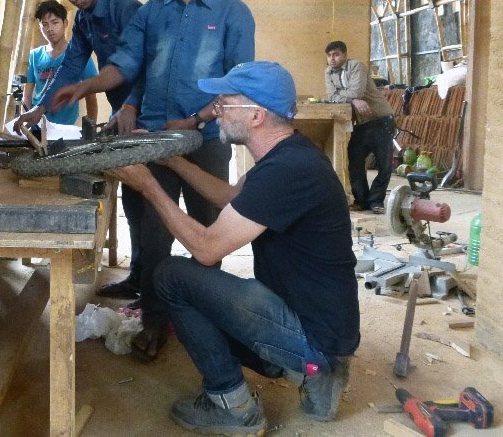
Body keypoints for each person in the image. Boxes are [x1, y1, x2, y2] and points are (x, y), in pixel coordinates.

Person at [109, 61, 359, 435]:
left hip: (311, 333)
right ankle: (320, 370)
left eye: (226, 102)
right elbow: (229, 197)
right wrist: (172, 160)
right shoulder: (289, 154)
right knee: (201, 292)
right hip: (313, 321)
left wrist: (148, 185)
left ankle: (234, 406)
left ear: (256, 115)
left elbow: (207, 249)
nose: (216, 110)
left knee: (172, 276)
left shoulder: (286, 171)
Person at [51, 0, 255, 360]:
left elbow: (238, 84)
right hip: (155, 142)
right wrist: (85, 86)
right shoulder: (152, 12)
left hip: (206, 142)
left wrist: (197, 118)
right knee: (154, 233)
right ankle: (156, 320)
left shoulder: (233, 14)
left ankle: (205, 317)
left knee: (210, 231)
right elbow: (125, 65)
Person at [16, 0, 145, 300]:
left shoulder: (128, 10)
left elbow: (150, 66)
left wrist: (132, 103)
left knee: (155, 200)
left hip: (150, 115)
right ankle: (139, 277)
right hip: (124, 115)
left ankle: (159, 291)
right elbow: (71, 66)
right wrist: (39, 109)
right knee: (135, 199)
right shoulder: (86, 20)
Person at [324, 40, 394, 214]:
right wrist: (352, 99)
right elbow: (331, 95)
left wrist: (350, 97)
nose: (332, 59)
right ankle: (362, 200)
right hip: (361, 122)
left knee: (384, 164)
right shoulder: (329, 72)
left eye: (336, 54)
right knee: (354, 162)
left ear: (345, 55)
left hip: (381, 119)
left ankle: (376, 201)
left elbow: (356, 92)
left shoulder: (356, 66)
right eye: (329, 55)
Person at [24, 0, 98, 125]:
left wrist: (91, 129)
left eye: (55, 23)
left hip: (66, 127)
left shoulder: (79, 56)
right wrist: (27, 120)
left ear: (65, 23)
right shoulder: (34, 56)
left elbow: (91, 97)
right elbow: (27, 94)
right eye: (45, 24)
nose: (50, 28)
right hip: (38, 124)